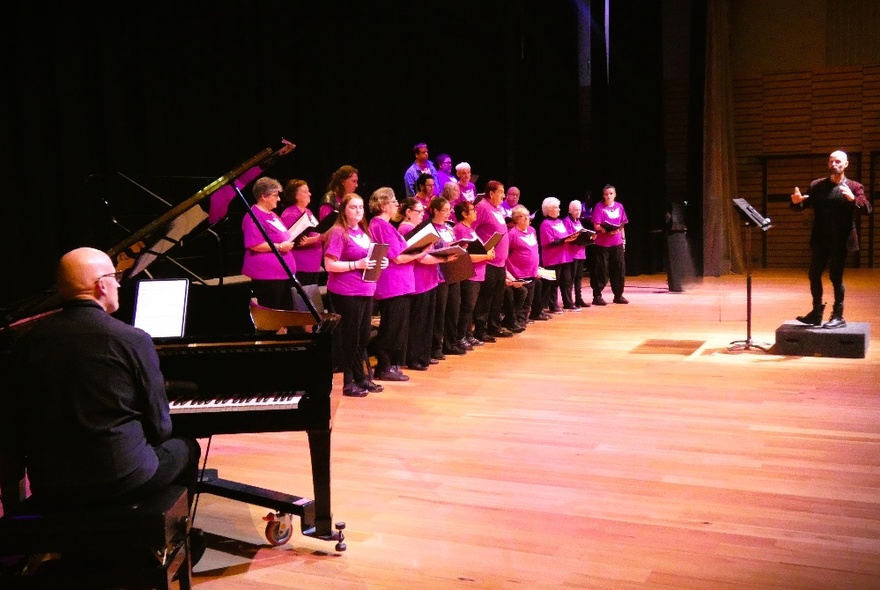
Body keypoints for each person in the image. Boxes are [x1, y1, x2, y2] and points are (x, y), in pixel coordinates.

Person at [0, 247, 201, 514]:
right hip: (121, 478)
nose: (119, 283)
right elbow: (160, 428)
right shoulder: (131, 339)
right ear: (102, 285)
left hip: (51, 485)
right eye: (115, 276)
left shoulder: (27, 343)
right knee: (188, 448)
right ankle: (172, 543)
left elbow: (14, 425)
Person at [791, 150, 871, 328]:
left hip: (840, 239)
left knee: (836, 276)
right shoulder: (817, 185)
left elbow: (867, 209)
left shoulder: (854, 186)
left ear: (846, 164)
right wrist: (797, 203)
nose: (834, 164)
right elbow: (803, 203)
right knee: (814, 274)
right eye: (831, 161)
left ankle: (838, 315)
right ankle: (816, 313)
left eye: (838, 161)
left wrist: (853, 200)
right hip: (820, 238)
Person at [323, 193, 388, 397]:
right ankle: (348, 382)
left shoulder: (363, 231)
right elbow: (329, 265)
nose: (358, 211)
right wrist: (355, 265)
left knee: (362, 336)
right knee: (350, 338)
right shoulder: (338, 232)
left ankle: (361, 378)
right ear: (344, 210)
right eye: (353, 207)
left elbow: (368, 258)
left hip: (365, 289)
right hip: (345, 291)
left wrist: (380, 263)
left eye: (361, 207)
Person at [368, 187, 428, 382]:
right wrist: (422, 252)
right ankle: (384, 367)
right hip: (392, 285)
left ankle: (389, 365)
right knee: (392, 327)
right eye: (394, 202)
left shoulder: (386, 225)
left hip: (399, 284)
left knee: (397, 327)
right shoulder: (380, 225)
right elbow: (399, 258)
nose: (397, 206)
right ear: (384, 204)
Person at [242, 177, 297, 309]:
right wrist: (280, 246)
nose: (278, 199)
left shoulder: (272, 214)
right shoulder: (253, 216)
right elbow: (255, 244)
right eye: (276, 195)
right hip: (268, 275)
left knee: (286, 314)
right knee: (272, 316)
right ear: (264, 196)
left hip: (283, 273)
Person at [471, 180, 513, 342]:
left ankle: (494, 326)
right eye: (501, 192)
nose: (503, 195)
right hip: (487, 262)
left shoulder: (498, 209)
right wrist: (482, 250)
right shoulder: (482, 207)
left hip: (500, 263)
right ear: (491, 193)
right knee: (485, 298)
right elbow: (471, 230)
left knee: (497, 297)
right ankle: (480, 330)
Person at [453, 200, 495, 348]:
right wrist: (486, 256)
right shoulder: (460, 229)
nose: (476, 212)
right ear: (464, 214)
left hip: (478, 273)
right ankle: (460, 337)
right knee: (466, 307)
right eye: (472, 210)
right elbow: (465, 256)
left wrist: (487, 251)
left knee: (471, 307)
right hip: (469, 274)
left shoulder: (470, 229)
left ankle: (468, 335)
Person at [590, 184, 629, 305]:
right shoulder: (599, 207)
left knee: (619, 270)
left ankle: (618, 295)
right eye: (606, 194)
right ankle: (597, 296)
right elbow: (596, 225)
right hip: (602, 244)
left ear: (615, 195)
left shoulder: (619, 206)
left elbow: (622, 224)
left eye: (611, 194)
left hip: (616, 242)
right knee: (601, 270)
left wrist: (623, 240)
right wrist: (607, 230)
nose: (609, 196)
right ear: (603, 195)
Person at [280, 178, 323, 287]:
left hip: (313, 265)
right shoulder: (290, 214)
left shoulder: (308, 211)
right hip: (301, 266)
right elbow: (292, 241)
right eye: (305, 191)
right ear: (295, 195)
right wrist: (318, 238)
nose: (309, 194)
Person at [539, 196, 578, 312]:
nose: (559, 210)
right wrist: (563, 240)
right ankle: (553, 305)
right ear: (549, 210)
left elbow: (565, 236)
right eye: (556, 208)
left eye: (558, 207)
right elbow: (548, 242)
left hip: (565, 257)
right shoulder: (545, 224)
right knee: (552, 283)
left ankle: (568, 303)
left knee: (567, 281)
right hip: (552, 258)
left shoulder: (560, 222)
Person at [505, 205, 540, 330]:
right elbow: (506, 254)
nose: (526, 218)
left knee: (528, 300)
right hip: (518, 274)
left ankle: (522, 320)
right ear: (515, 219)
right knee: (520, 299)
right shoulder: (512, 234)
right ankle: (513, 321)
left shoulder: (532, 230)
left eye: (527, 215)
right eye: (522, 216)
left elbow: (534, 249)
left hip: (531, 272)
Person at [563, 199, 591, 308]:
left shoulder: (578, 221)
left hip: (580, 253)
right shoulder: (567, 221)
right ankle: (569, 300)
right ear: (570, 210)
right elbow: (568, 237)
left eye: (579, 210)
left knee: (579, 277)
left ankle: (579, 299)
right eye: (576, 210)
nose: (578, 212)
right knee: (571, 278)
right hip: (572, 254)